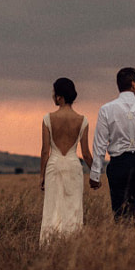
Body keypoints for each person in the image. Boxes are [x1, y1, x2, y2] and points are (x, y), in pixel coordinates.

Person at [90, 67, 135, 225]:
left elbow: (100, 145)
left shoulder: (106, 110)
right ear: (133, 84)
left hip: (118, 164)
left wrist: (95, 174)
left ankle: (123, 244)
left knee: (120, 214)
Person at [40, 77, 93, 244]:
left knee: (52, 207)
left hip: (54, 165)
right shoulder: (82, 120)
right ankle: (72, 245)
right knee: (73, 207)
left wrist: (41, 176)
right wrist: (96, 173)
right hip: (72, 165)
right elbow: (85, 153)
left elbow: (44, 151)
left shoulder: (48, 119)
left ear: (59, 97)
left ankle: (50, 245)